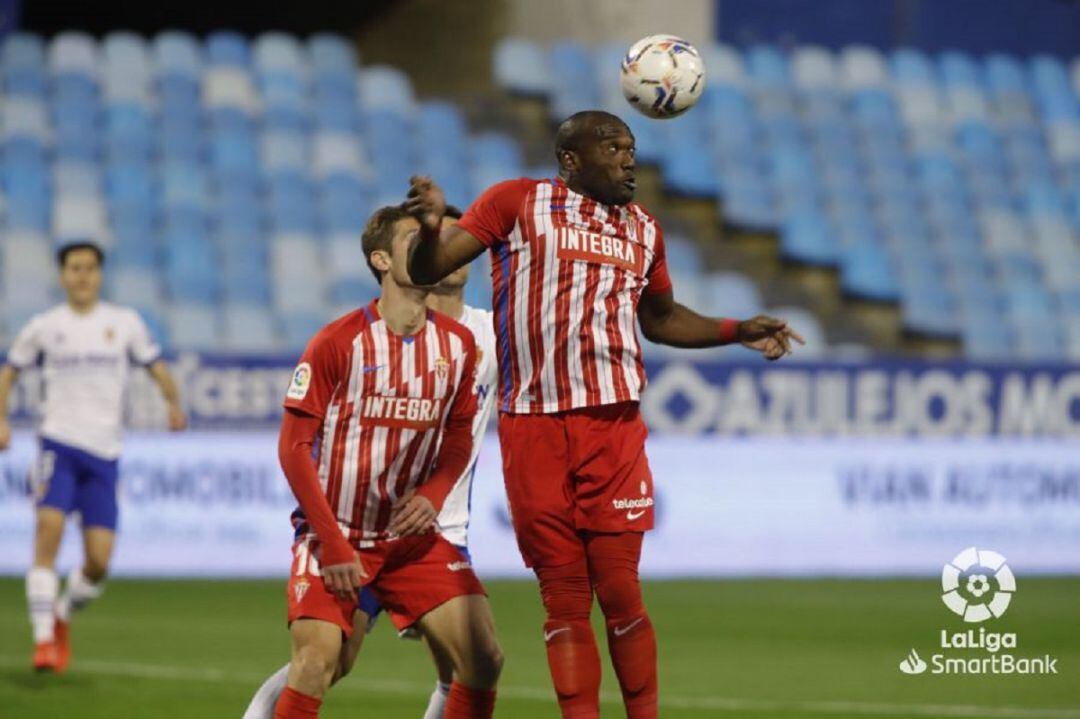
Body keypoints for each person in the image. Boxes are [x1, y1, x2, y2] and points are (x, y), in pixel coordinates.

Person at [405, 110, 805, 719]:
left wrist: (734, 328)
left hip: (612, 429)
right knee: (563, 600)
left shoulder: (644, 229)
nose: (628, 159)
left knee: (620, 591)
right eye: (614, 147)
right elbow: (425, 270)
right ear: (571, 160)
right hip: (533, 427)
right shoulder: (516, 203)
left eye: (632, 148)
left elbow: (662, 319)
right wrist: (433, 229)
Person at [242, 207, 498, 719]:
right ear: (381, 259)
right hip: (340, 535)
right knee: (322, 662)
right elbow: (293, 448)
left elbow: (457, 436)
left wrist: (432, 492)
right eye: (416, 238)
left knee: (482, 658)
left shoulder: (463, 343)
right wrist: (332, 544)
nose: (433, 246)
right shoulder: (338, 342)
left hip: (418, 539)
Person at [0, 241, 187, 673]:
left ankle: (61, 614)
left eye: (89, 268)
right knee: (47, 535)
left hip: (104, 453)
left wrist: (173, 404)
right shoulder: (45, 327)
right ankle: (44, 640)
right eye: (74, 268)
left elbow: (156, 367)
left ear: (99, 275)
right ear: (62, 276)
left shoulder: (123, 324)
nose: (82, 275)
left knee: (99, 563)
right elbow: (9, 371)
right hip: (58, 445)